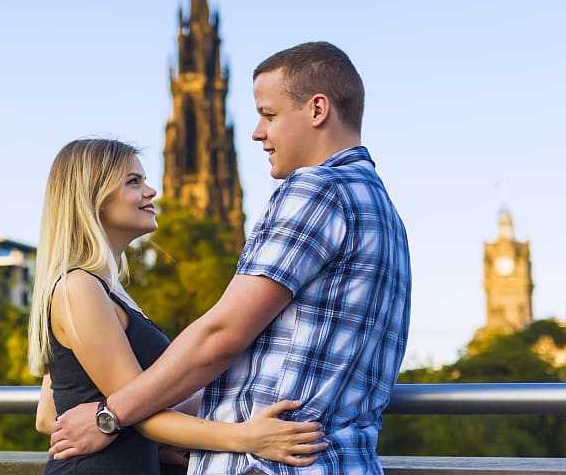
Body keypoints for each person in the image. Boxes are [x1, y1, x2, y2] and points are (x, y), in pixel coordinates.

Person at [49, 42, 412, 475]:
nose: (258, 132)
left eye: (270, 115)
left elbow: (222, 333)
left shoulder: (316, 190)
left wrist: (111, 417)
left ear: (317, 110)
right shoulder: (383, 211)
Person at [29, 138, 328, 475]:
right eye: (133, 181)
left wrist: (151, 442)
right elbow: (136, 412)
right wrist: (247, 438)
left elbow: (50, 412)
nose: (151, 191)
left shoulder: (104, 290)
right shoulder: (78, 289)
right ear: (92, 197)